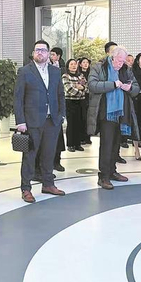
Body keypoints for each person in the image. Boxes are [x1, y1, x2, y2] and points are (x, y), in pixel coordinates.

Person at [14, 39, 66, 203]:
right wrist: (20, 121)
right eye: (37, 50)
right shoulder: (24, 71)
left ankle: (48, 184)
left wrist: (62, 115)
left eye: (43, 50)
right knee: (29, 157)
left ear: (49, 53)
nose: (40, 53)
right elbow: (18, 98)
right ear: (33, 53)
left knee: (49, 155)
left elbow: (60, 95)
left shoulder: (55, 72)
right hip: (32, 122)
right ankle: (26, 188)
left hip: (52, 121)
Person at [87, 45, 139, 189]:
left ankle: (112, 171)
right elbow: (92, 85)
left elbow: (136, 88)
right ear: (112, 57)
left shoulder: (126, 69)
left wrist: (130, 88)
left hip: (122, 112)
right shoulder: (99, 67)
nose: (120, 64)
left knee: (116, 143)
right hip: (106, 112)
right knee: (107, 143)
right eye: (119, 60)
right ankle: (103, 176)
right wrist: (113, 84)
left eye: (123, 61)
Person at [62, 59, 87, 152]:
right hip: (70, 102)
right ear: (68, 66)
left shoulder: (81, 76)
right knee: (71, 123)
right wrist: (81, 91)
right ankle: (70, 144)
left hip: (81, 102)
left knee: (80, 123)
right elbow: (69, 89)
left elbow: (86, 87)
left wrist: (81, 88)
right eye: (71, 64)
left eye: (75, 64)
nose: (74, 66)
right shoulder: (65, 76)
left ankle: (77, 144)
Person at [78, 57, 92, 145]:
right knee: (82, 117)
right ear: (80, 64)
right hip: (81, 97)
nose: (86, 64)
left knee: (89, 118)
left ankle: (88, 137)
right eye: (83, 62)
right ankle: (81, 137)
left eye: (87, 62)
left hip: (90, 97)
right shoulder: (79, 74)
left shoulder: (91, 74)